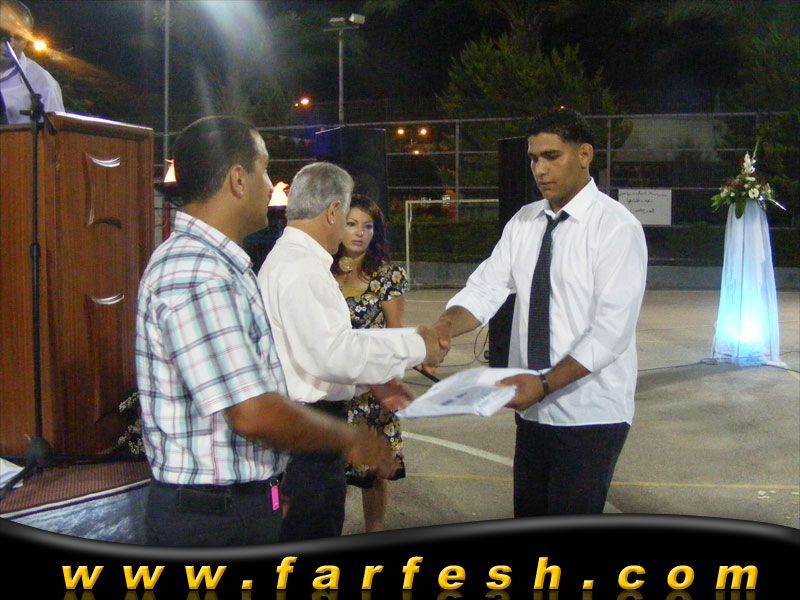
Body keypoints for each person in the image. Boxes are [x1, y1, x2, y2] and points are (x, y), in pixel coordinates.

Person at [135, 116, 396, 547]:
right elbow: (251, 412)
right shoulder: (197, 273)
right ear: (238, 179)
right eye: (264, 170)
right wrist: (349, 438)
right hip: (213, 521)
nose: (271, 185)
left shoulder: (221, 266)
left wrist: (269, 488)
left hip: (232, 505)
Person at [431, 107, 648, 516]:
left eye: (551, 156)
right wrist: (442, 327)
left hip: (590, 413)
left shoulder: (616, 228)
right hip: (533, 411)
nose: (540, 169)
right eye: (533, 159)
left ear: (584, 154)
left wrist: (545, 383)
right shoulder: (524, 222)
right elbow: (485, 288)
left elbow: (610, 333)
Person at [257, 161, 446, 542]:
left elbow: (308, 357)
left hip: (303, 431)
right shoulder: (302, 269)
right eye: (346, 217)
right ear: (332, 212)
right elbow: (332, 353)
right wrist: (417, 344)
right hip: (308, 437)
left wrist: (373, 382)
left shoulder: (293, 261)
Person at [332, 194, 409, 532]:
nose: (360, 233)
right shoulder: (321, 272)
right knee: (327, 476)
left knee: (373, 475)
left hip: (371, 394)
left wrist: (385, 380)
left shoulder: (386, 276)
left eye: (368, 226)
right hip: (331, 388)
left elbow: (396, 335)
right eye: (352, 224)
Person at [0, 0, 64, 124]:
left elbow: (55, 133)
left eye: (19, 37)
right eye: (3, 34)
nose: (10, 44)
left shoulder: (43, 84)